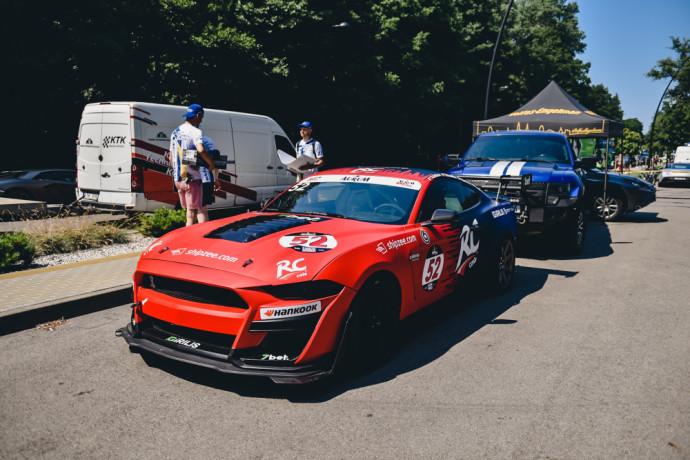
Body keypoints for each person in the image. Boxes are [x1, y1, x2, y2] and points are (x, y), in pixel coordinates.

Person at [169, 104, 216, 226]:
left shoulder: (175, 132)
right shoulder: (195, 132)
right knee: (197, 212)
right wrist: (210, 164)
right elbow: (200, 150)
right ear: (197, 115)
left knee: (189, 212)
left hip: (178, 179)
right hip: (193, 179)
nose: (201, 120)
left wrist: (179, 172)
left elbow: (171, 157)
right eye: (201, 117)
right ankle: (200, 240)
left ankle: (188, 239)